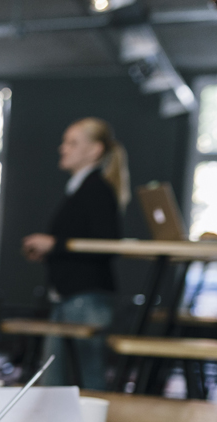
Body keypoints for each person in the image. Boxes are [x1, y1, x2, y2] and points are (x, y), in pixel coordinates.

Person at [22, 117, 129, 390]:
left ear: (94, 150)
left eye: (72, 143)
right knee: (54, 383)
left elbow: (107, 242)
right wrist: (51, 251)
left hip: (86, 300)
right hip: (70, 297)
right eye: (64, 142)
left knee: (87, 382)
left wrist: (54, 245)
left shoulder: (96, 189)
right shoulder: (80, 188)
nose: (63, 148)